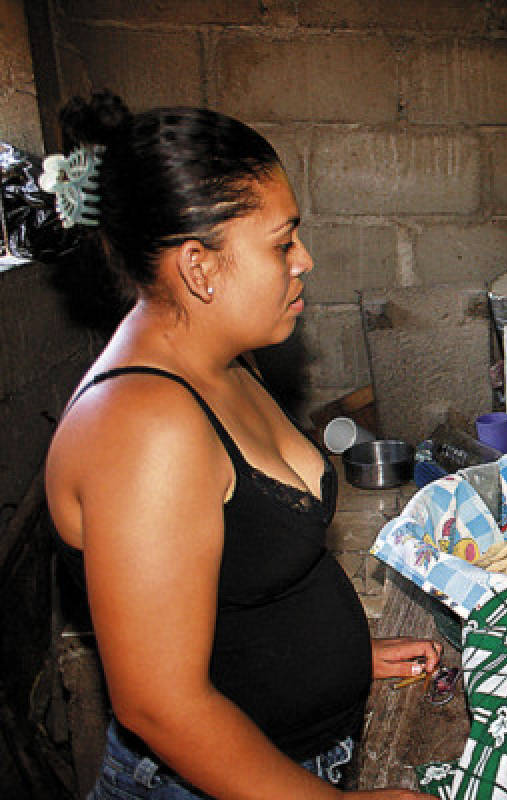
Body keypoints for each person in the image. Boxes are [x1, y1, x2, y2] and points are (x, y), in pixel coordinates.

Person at [40, 91, 442, 799]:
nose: (304, 260)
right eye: (283, 242)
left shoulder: (223, 358)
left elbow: (235, 590)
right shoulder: (144, 426)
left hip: (295, 746)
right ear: (200, 268)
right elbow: (160, 705)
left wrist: (346, 658)